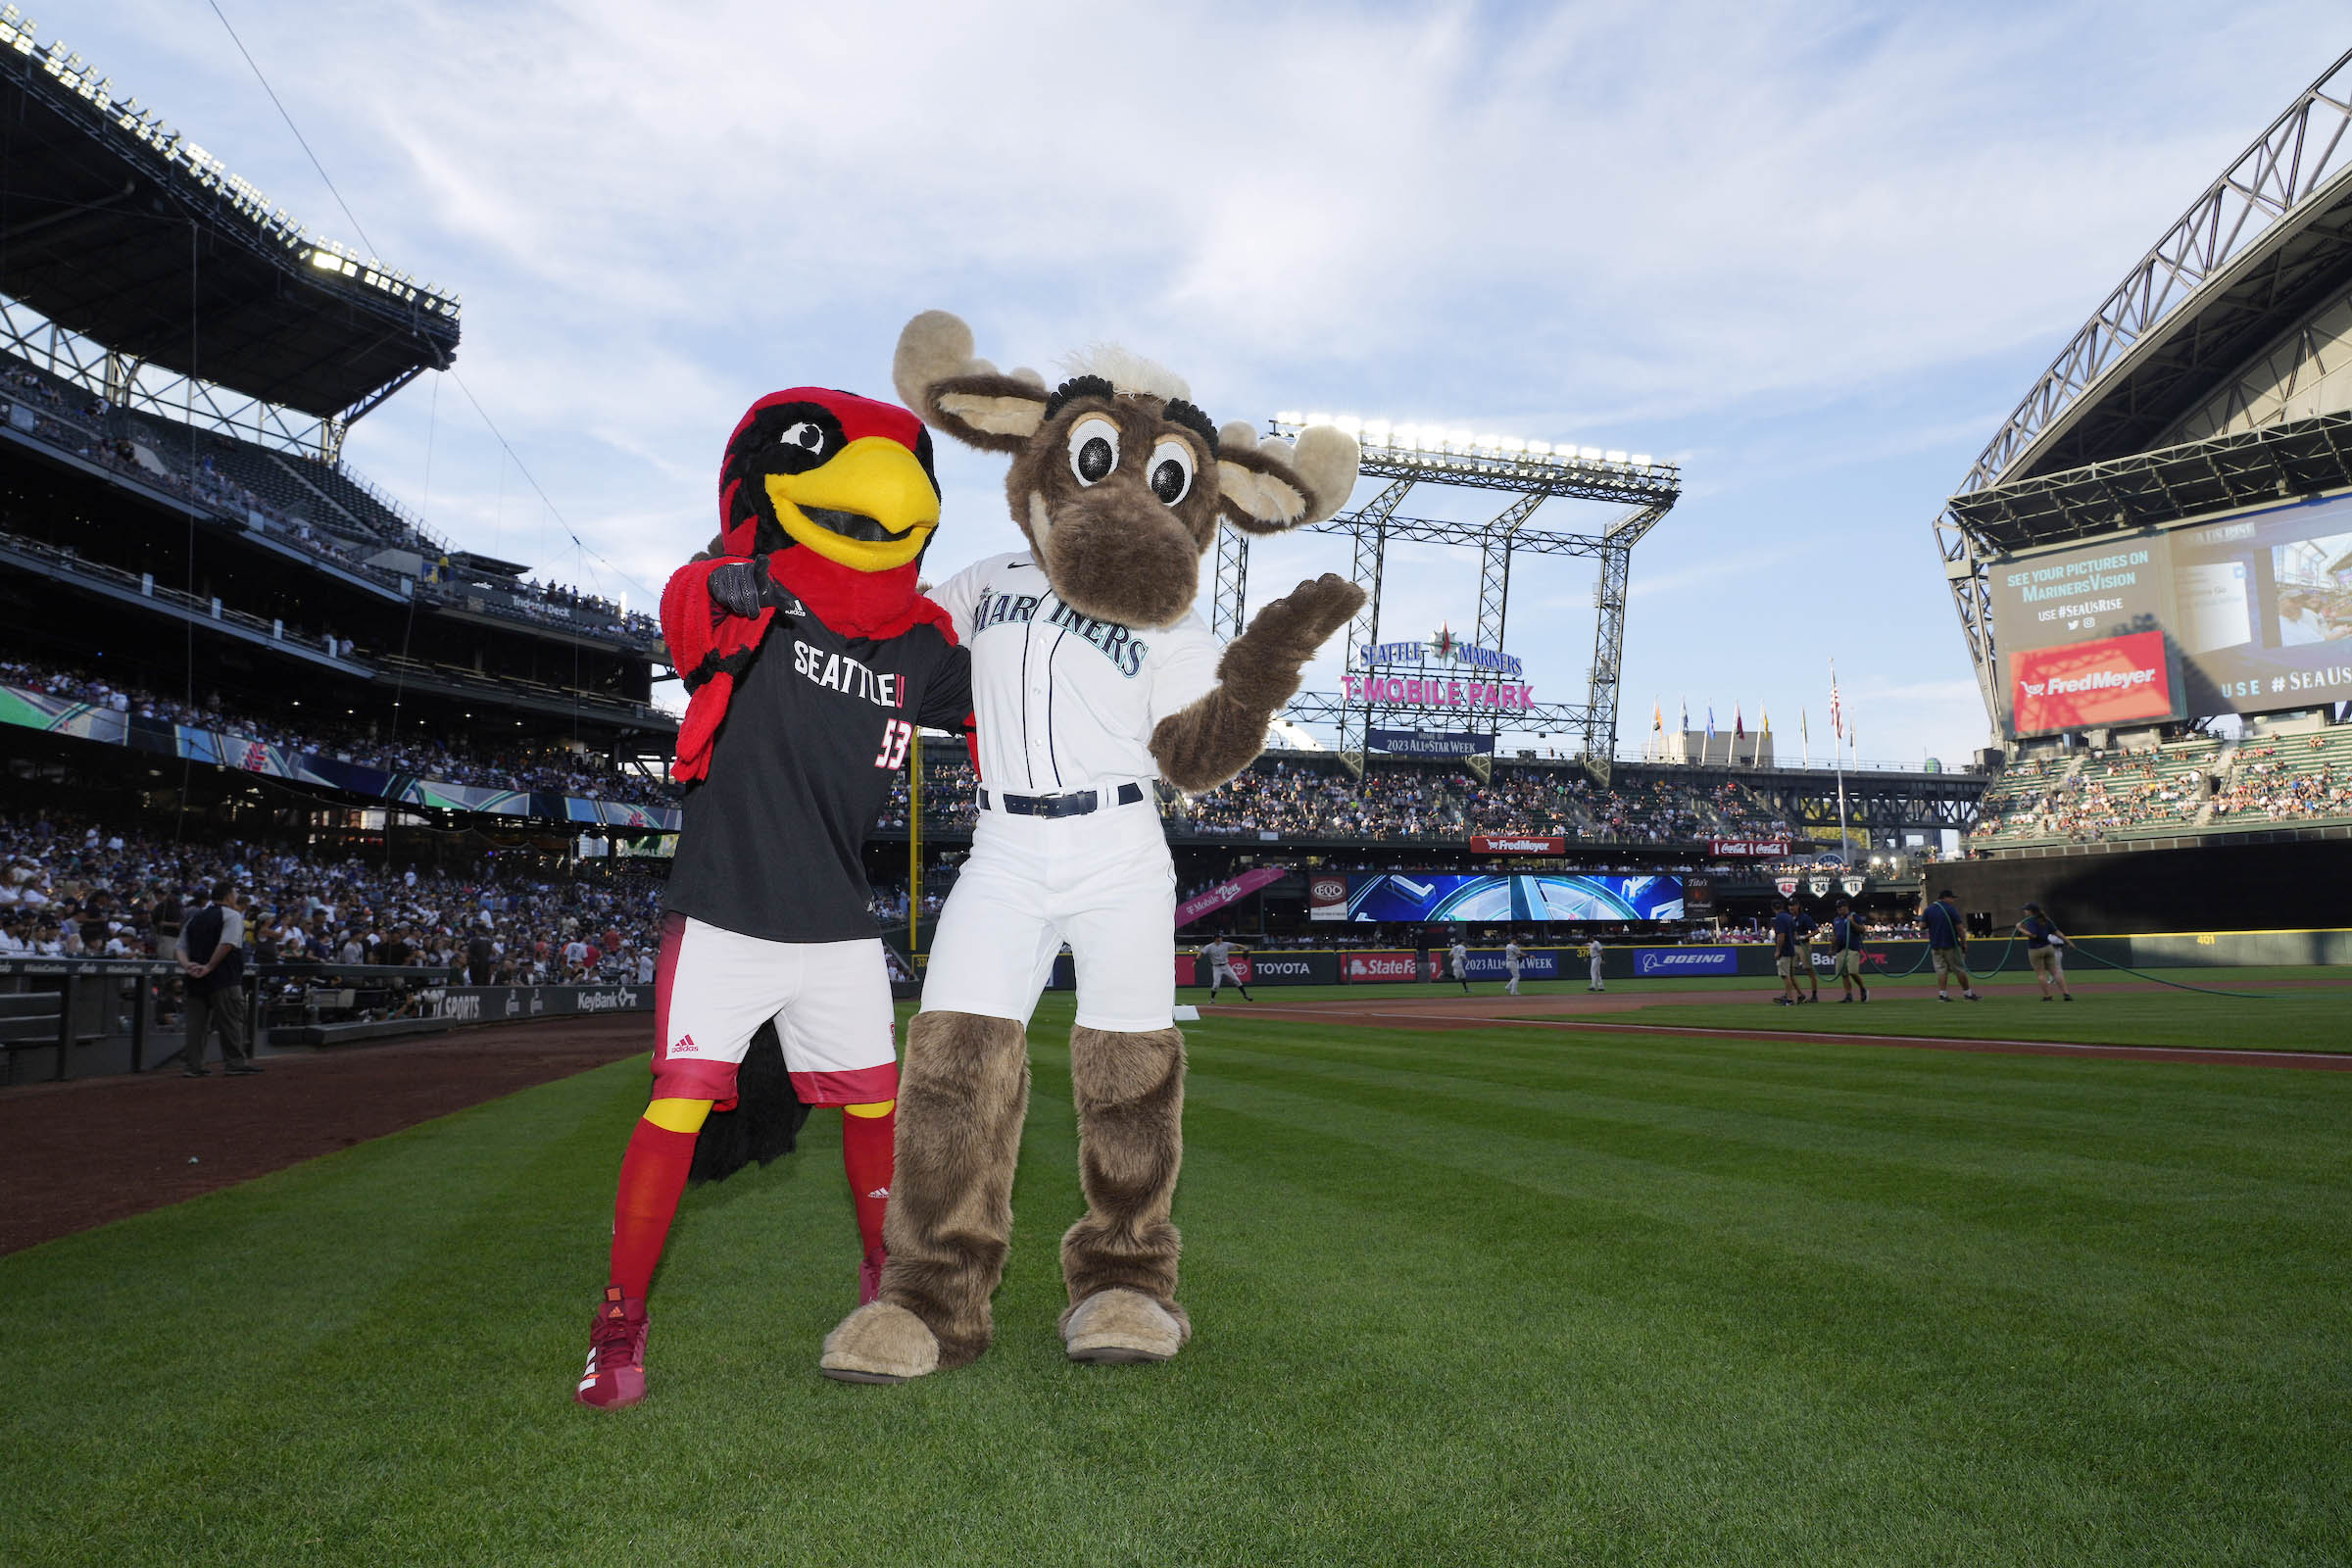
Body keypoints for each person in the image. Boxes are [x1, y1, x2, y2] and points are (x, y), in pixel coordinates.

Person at [176, 880, 259, 1076]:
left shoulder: (195, 917)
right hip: (224, 977)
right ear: (229, 897)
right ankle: (235, 1063)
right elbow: (227, 944)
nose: (236, 898)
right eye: (235, 895)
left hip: (195, 978)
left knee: (196, 1025)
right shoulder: (232, 915)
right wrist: (209, 966)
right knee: (231, 1021)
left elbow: (180, 947)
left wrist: (188, 965)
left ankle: (192, 1067)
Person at [1925, 890, 1980, 1002]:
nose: (1953, 901)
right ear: (1945, 898)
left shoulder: (1929, 909)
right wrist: (1964, 942)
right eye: (1952, 898)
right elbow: (1959, 927)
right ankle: (1967, 994)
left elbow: (1921, 925)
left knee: (1941, 970)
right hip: (1951, 944)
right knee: (1959, 969)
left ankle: (1943, 995)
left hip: (1935, 945)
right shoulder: (1950, 909)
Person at [2016, 902, 2073, 1002]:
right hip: (2048, 948)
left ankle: (2048, 996)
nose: (2024, 911)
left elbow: (2033, 935)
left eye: (2026, 910)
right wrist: (2069, 942)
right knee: (2055, 972)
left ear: (2030, 911)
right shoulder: (2045, 919)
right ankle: (2066, 994)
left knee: (2041, 973)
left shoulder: (2031, 921)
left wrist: (2020, 929)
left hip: (2035, 949)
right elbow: (2057, 932)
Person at [1831, 898, 1869, 1004]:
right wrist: (1831, 949)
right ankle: (1848, 995)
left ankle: (1862, 988)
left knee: (1853, 971)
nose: (1839, 909)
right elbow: (1835, 935)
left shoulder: (1853, 916)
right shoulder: (1836, 920)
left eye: (1841, 907)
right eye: (1838, 907)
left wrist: (1852, 923)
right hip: (1840, 949)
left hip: (1852, 948)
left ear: (1846, 907)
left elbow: (1862, 930)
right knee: (1844, 974)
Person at [1769, 898, 1802, 1005]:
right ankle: (1799, 995)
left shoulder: (1779, 918)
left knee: (1785, 975)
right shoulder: (1789, 917)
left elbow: (1781, 936)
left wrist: (1778, 950)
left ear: (1773, 908)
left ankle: (1790, 999)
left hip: (1785, 950)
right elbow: (1794, 934)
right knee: (1790, 975)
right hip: (1791, 948)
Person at [1200, 936, 1250, 1002]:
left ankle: (1245, 995)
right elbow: (1201, 952)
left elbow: (1236, 945)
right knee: (1216, 985)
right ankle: (1212, 999)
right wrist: (1196, 961)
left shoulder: (1226, 944)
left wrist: (1244, 947)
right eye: (1219, 937)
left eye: (1221, 937)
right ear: (1215, 938)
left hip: (1226, 966)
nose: (1220, 938)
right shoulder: (1209, 946)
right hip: (1216, 967)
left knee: (1236, 980)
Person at [1788, 900, 1820, 1003]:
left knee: (1809, 971)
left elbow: (1816, 930)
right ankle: (1800, 994)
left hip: (1804, 945)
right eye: (1790, 906)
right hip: (1793, 946)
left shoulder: (1804, 917)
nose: (1791, 908)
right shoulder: (1789, 918)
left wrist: (1804, 936)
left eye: (1793, 905)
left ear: (1798, 906)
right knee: (1789, 972)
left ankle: (1814, 995)